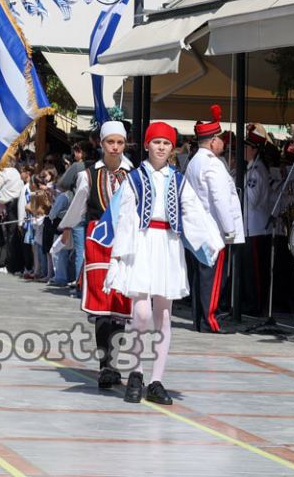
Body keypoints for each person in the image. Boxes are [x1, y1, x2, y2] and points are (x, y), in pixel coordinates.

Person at [103, 122, 222, 405]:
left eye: (166, 143)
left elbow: (193, 213)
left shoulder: (179, 180)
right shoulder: (134, 178)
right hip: (141, 244)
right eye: (156, 142)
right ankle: (135, 372)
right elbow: (125, 217)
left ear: (173, 148)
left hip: (168, 245)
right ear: (146, 145)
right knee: (141, 313)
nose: (160, 147)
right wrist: (118, 256)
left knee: (164, 316)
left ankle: (156, 380)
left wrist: (211, 240)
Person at [59, 121, 133, 387]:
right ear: (101, 144)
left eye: (120, 143)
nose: (115, 147)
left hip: (124, 242)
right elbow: (79, 204)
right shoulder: (88, 175)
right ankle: (106, 365)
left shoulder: (133, 174)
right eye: (110, 142)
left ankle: (113, 362)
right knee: (102, 306)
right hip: (98, 241)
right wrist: (67, 228)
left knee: (120, 305)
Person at [184, 106, 244, 333]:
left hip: (199, 228)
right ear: (212, 142)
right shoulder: (213, 164)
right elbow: (220, 200)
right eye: (220, 139)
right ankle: (211, 320)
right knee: (214, 277)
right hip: (214, 229)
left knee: (201, 275)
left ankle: (200, 319)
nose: (223, 143)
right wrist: (229, 230)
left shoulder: (194, 162)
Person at [244, 124, 272, 315]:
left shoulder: (255, 171)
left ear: (254, 149)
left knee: (255, 271)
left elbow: (252, 200)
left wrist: (243, 182)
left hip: (255, 227)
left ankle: (256, 305)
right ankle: (251, 303)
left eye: (247, 147)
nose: (244, 151)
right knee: (250, 271)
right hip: (250, 226)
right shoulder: (251, 169)